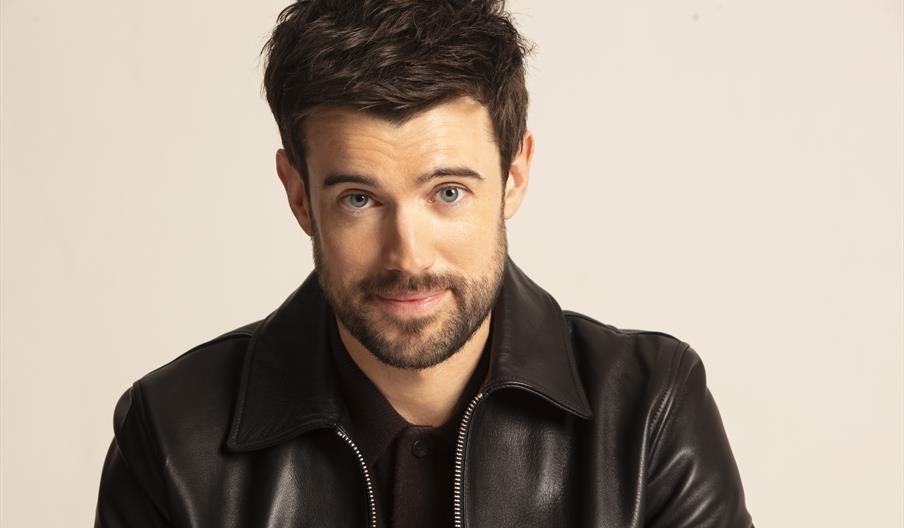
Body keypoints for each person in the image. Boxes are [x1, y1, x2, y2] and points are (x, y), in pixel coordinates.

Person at [94, 1, 753, 526]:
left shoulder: (648, 415)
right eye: (359, 198)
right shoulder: (172, 434)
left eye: (447, 193)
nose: (408, 255)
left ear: (514, 176)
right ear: (299, 195)